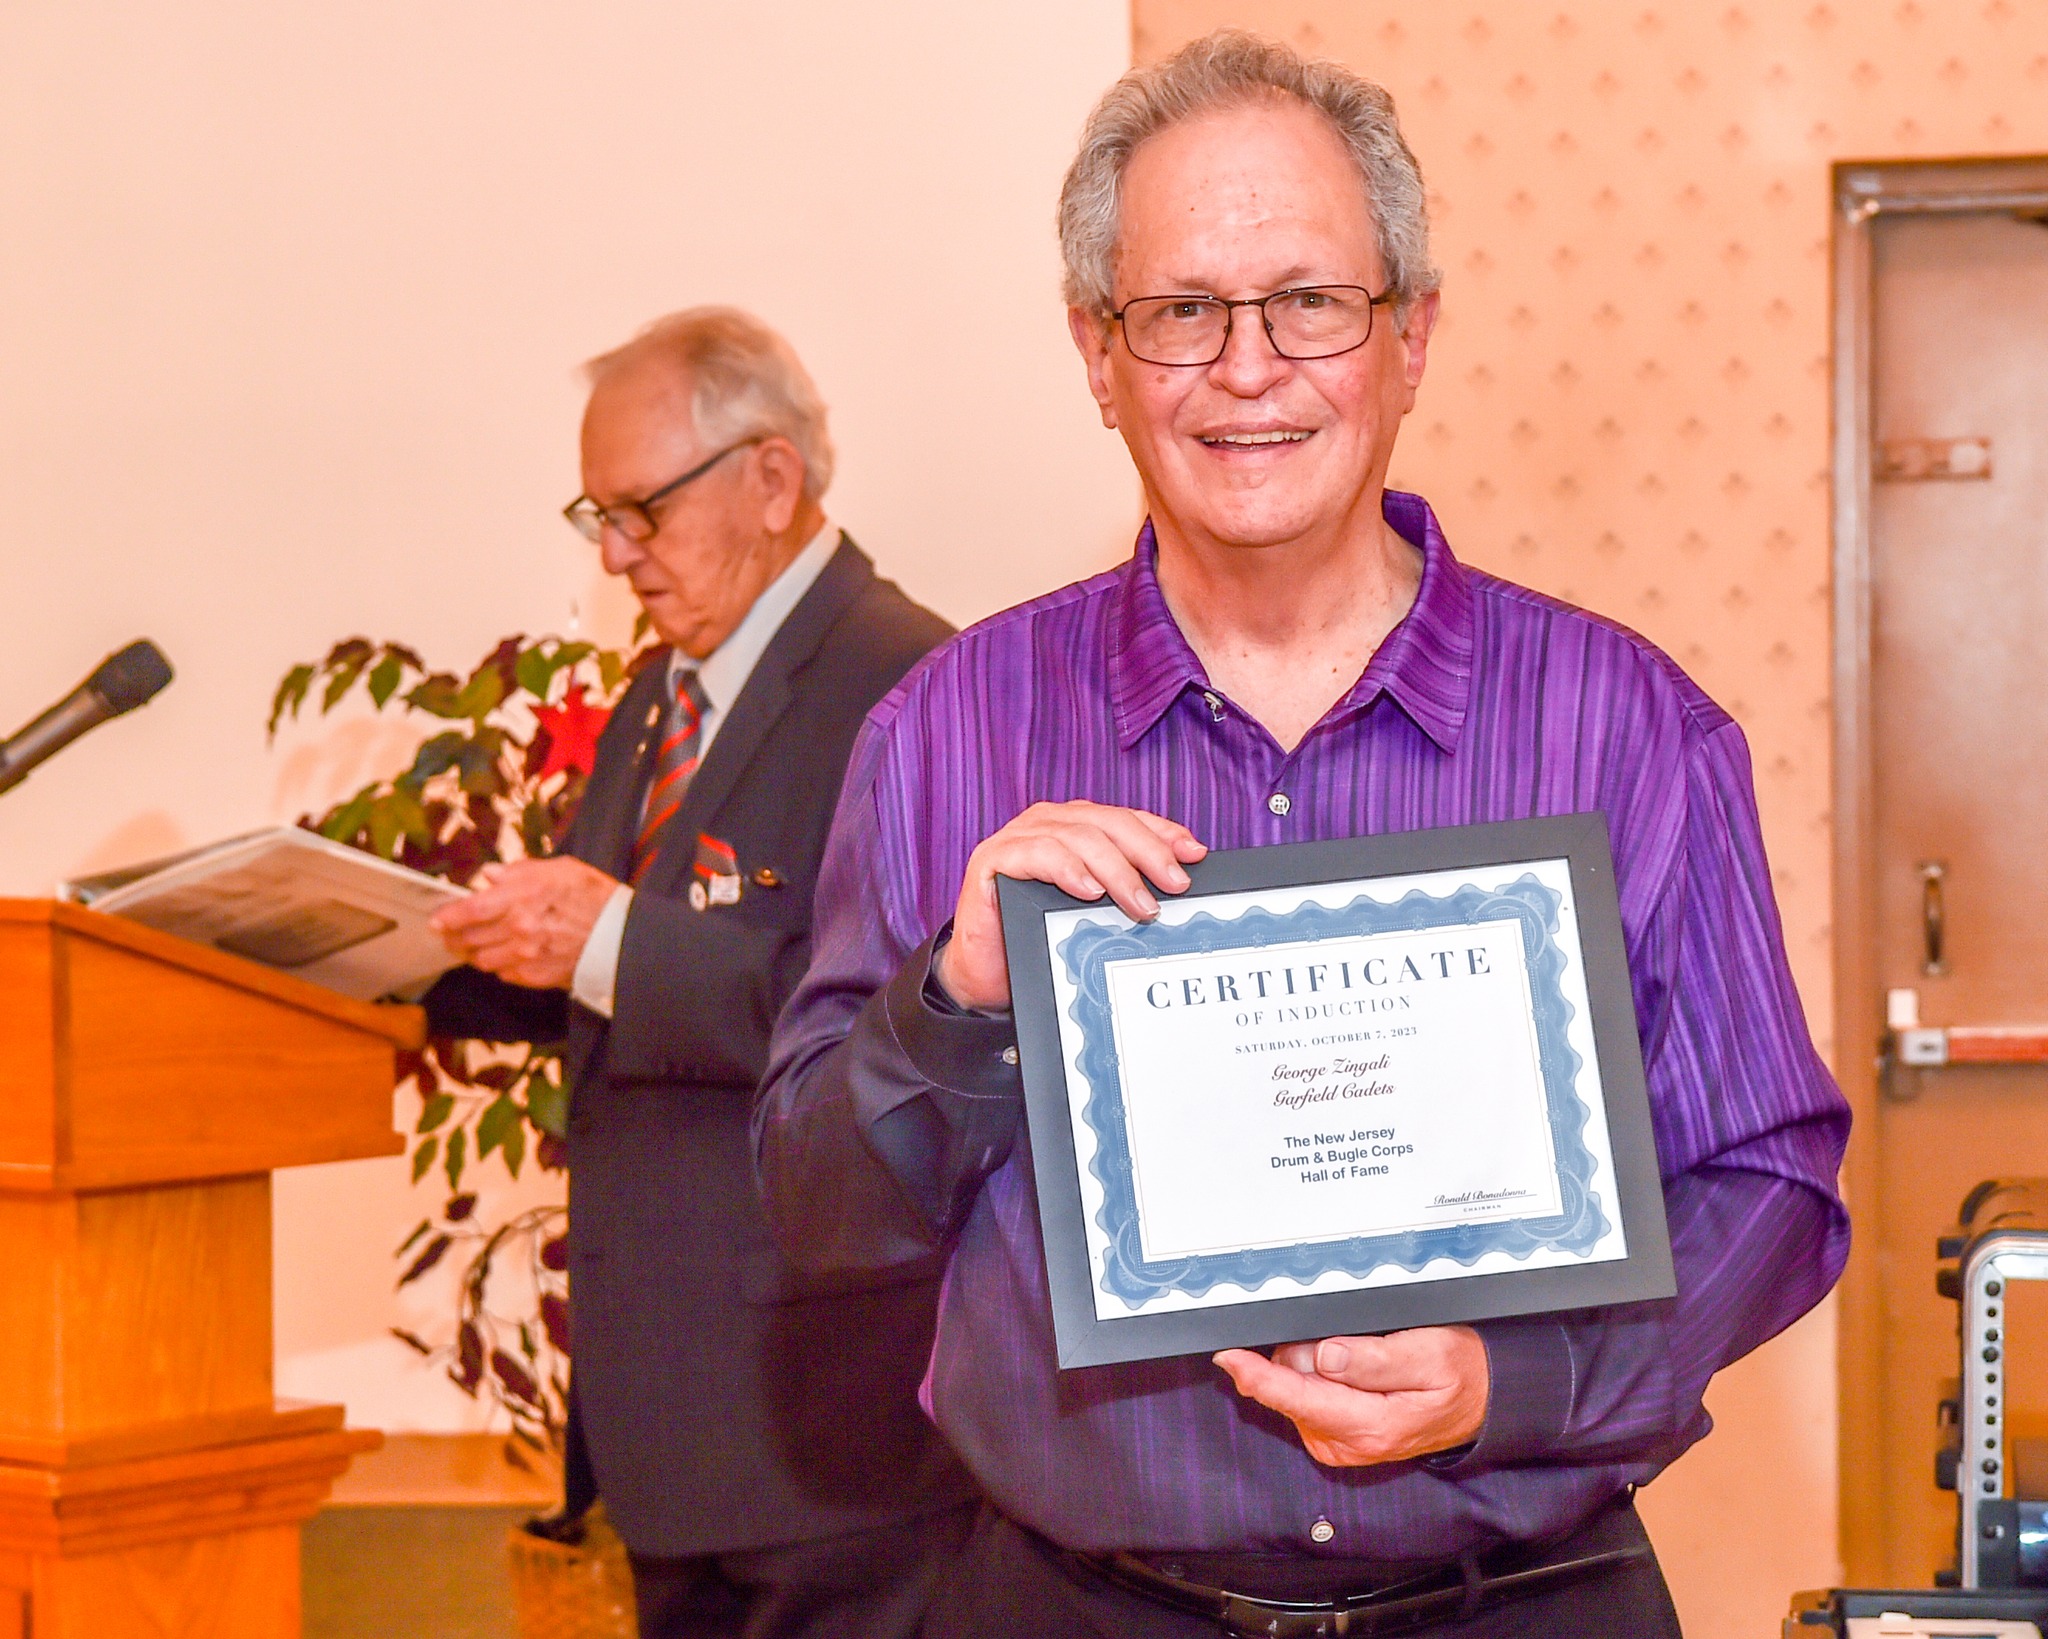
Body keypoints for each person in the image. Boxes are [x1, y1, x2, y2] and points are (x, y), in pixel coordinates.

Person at [754, 33, 1850, 1639]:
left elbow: (1771, 1181)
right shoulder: (943, 733)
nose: (1248, 368)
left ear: (1411, 338)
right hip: (1076, 1606)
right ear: (1099, 355)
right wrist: (957, 1001)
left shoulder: (1629, 727)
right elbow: (815, 1210)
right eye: (1181, 311)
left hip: (1522, 1602)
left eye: (1311, 302)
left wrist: (1517, 1377)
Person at [424, 307, 971, 1639]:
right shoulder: (662, 694)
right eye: (595, 517)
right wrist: (392, 951)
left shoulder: (909, 682)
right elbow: (607, 985)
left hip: (827, 1447)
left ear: (772, 480)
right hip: (674, 1432)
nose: (615, 554)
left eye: (641, 513)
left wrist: (611, 940)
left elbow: (908, 1021)